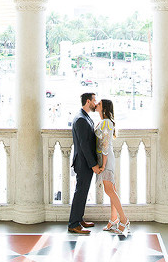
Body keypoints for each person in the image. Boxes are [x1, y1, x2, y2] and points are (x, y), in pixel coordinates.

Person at [68, 92, 102, 235]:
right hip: (83, 163)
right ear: (88, 101)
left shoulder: (84, 116)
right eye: (94, 101)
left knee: (83, 192)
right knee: (80, 192)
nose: (95, 103)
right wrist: (93, 164)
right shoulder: (81, 119)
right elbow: (84, 145)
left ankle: (79, 218)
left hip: (84, 162)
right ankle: (73, 224)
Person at [95, 99, 129, 236]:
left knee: (110, 190)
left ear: (104, 108)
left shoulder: (106, 122)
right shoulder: (104, 122)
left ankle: (124, 219)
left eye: (99, 104)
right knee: (111, 190)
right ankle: (114, 218)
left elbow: (105, 144)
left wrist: (103, 164)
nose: (96, 105)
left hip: (106, 159)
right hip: (105, 158)